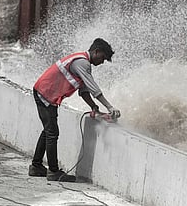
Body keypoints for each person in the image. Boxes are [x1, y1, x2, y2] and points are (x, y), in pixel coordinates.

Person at [30, 37, 121, 181]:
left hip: (45, 92)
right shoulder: (82, 63)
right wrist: (110, 107)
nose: (102, 62)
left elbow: (84, 91)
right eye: (103, 58)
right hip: (45, 93)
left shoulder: (81, 61)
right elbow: (93, 88)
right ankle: (53, 172)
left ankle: (36, 167)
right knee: (52, 133)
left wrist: (94, 107)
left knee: (48, 131)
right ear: (96, 52)